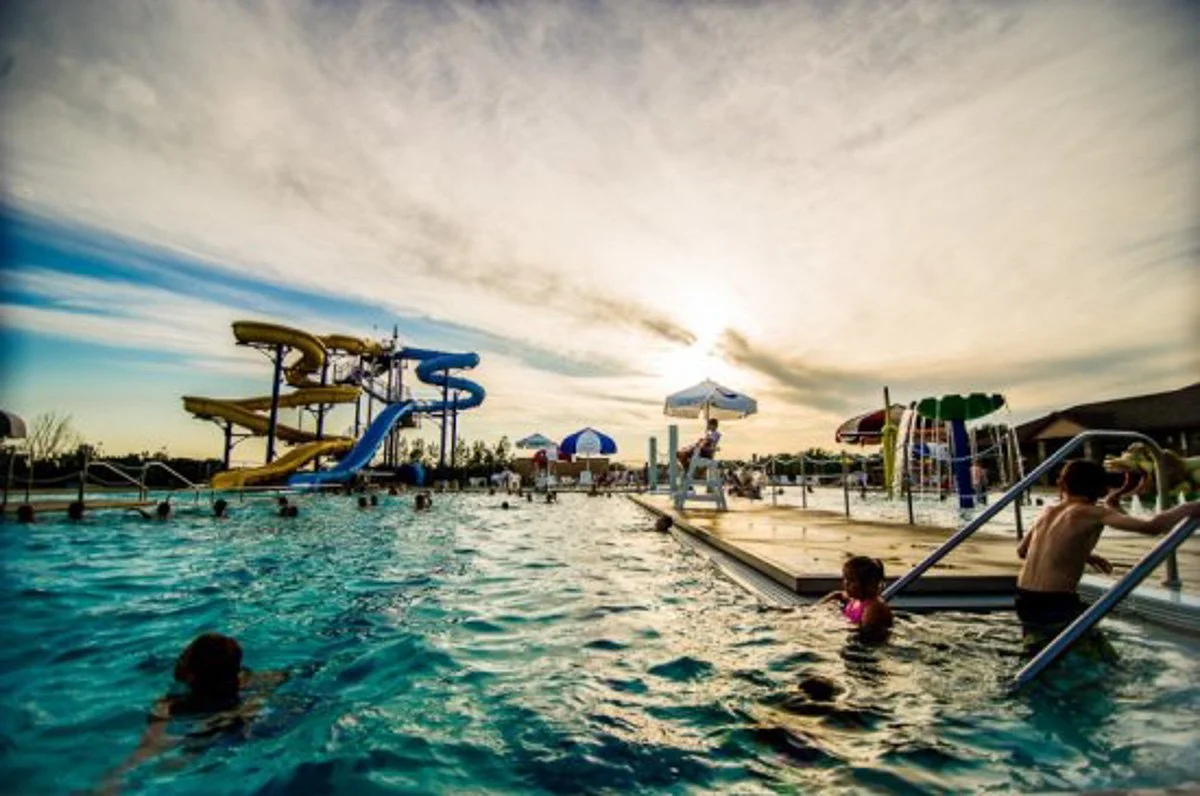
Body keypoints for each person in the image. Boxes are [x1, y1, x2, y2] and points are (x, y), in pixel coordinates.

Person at [1015, 460, 1200, 653]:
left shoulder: (1047, 511)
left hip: (1023, 598)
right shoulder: (1093, 513)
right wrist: (1188, 508)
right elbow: (1151, 526)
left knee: (1043, 653)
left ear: (1062, 485)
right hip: (1055, 603)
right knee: (1103, 658)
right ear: (1100, 489)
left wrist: (1086, 555)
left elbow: (1023, 551)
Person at [105, 633, 286, 791]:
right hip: (242, 722)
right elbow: (284, 677)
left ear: (190, 674)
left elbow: (149, 748)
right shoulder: (256, 679)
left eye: (184, 657)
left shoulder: (168, 705)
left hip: (210, 728)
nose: (179, 659)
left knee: (186, 753)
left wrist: (116, 778)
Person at [818, 556, 893, 642]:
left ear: (870, 584)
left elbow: (865, 633)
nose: (846, 583)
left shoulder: (873, 607)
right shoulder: (854, 599)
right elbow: (837, 595)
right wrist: (816, 608)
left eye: (852, 580)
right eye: (845, 578)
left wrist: (835, 627)